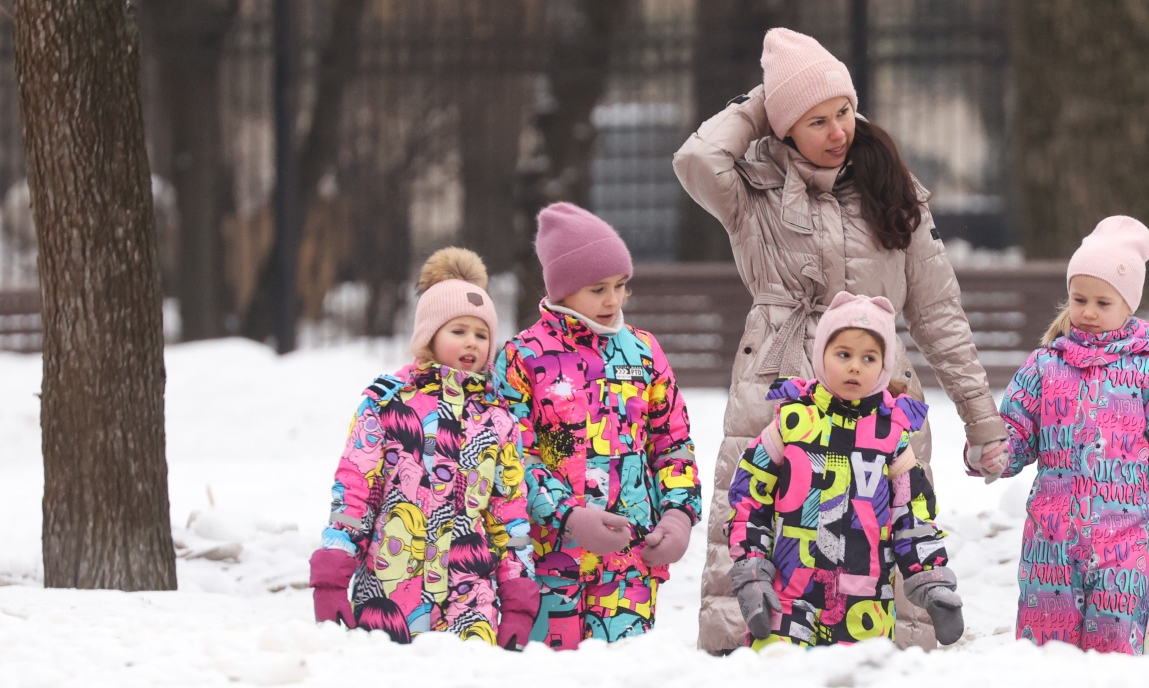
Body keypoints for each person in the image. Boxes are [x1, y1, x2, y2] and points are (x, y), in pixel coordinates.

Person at [673, 27, 1006, 653]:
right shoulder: (754, 194)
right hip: (779, 381)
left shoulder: (893, 192)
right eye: (816, 119)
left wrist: (981, 420)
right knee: (761, 516)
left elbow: (939, 314)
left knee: (893, 519)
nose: (837, 132)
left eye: (845, 112)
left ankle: (895, 652)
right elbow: (695, 161)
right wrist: (763, 101)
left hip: (881, 387)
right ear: (783, 129)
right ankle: (757, 637)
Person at [978, 216, 1149, 654]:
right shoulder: (1044, 367)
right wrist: (992, 452)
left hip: (1126, 541)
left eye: (1103, 303)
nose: (1087, 312)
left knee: (1115, 649)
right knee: (1045, 650)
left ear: (1129, 307)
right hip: (1051, 539)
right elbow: (1014, 434)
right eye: (1078, 298)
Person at [492, 203, 701, 648]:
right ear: (563, 290)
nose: (613, 300)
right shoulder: (523, 357)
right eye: (598, 288)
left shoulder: (643, 352)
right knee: (558, 683)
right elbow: (514, 455)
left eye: (621, 286)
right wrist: (566, 515)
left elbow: (672, 442)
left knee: (623, 678)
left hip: (630, 560)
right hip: (552, 559)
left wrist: (679, 514)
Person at [309, 248, 537, 647]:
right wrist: (333, 570)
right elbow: (355, 491)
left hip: (470, 593)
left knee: (467, 686)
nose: (472, 342)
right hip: (391, 587)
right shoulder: (386, 404)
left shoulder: (498, 419)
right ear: (429, 335)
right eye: (458, 331)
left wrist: (518, 596)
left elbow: (509, 513)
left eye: (481, 334)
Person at [726, 293, 964, 649]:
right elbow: (750, 497)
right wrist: (752, 569)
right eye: (843, 354)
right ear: (821, 356)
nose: (855, 366)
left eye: (869, 358)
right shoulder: (792, 424)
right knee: (779, 685)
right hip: (790, 597)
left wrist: (931, 580)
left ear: (884, 367)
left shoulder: (891, 439)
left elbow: (912, 518)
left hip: (864, 607)